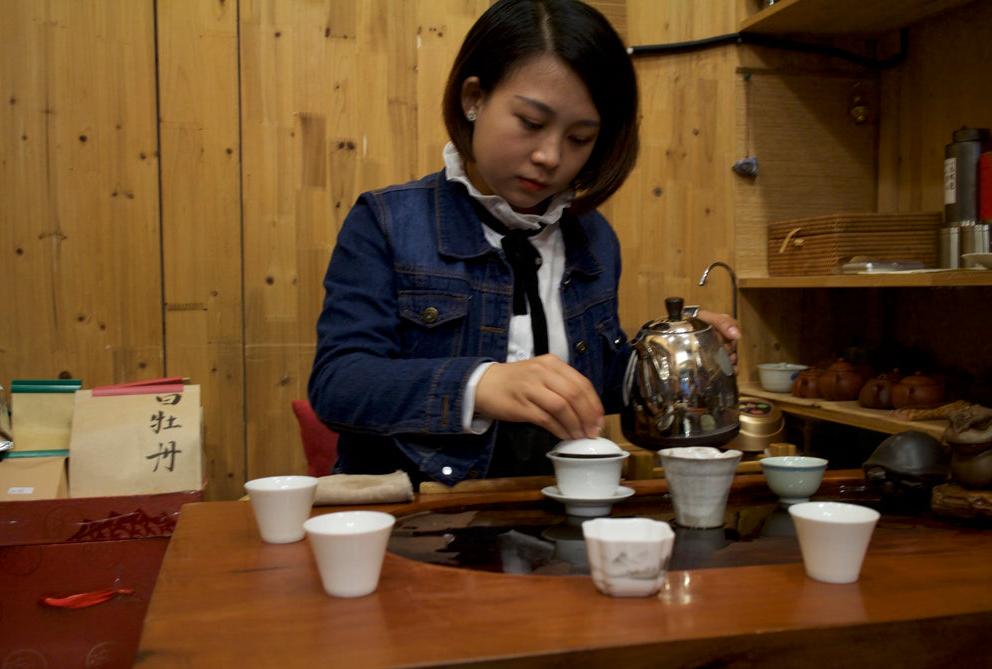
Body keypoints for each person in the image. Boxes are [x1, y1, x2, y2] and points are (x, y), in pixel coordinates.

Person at [308, 0, 739, 488]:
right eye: (532, 123)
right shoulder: (388, 221)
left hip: (552, 510)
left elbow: (593, 382)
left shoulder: (592, 236)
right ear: (474, 98)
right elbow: (339, 384)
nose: (550, 157)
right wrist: (480, 384)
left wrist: (674, 356)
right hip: (422, 520)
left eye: (579, 138)